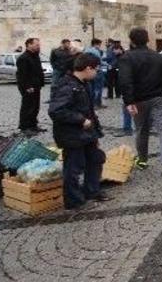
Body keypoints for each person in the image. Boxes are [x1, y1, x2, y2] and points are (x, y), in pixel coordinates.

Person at [48, 53, 111, 210]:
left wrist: (96, 132)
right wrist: (80, 120)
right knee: (73, 167)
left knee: (96, 159)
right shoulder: (67, 86)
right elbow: (56, 111)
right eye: (96, 69)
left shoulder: (83, 84)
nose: (97, 72)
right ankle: (73, 200)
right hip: (71, 135)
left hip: (86, 134)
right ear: (88, 68)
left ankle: (92, 190)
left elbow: (89, 111)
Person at [118, 28, 162, 179]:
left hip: (139, 99)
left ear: (131, 41)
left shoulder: (127, 57)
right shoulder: (158, 56)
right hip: (159, 97)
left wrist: (128, 101)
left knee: (141, 130)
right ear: (148, 40)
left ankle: (143, 160)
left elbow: (125, 81)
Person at [16, 37, 45, 136]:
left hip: (36, 86)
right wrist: (27, 86)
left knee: (35, 106)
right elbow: (22, 75)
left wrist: (40, 82)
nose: (38, 46)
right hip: (28, 87)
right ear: (29, 45)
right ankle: (24, 127)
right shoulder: (23, 58)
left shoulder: (35, 56)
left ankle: (33, 125)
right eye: (36, 45)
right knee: (27, 107)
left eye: (39, 45)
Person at [84, 39, 108, 109]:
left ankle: (92, 104)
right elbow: (99, 61)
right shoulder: (96, 51)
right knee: (98, 88)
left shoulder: (86, 50)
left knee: (91, 88)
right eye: (99, 45)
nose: (100, 46)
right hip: (97, 71)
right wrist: (107, 64)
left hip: (88, 72)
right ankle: (97, 104)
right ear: (96, 44)